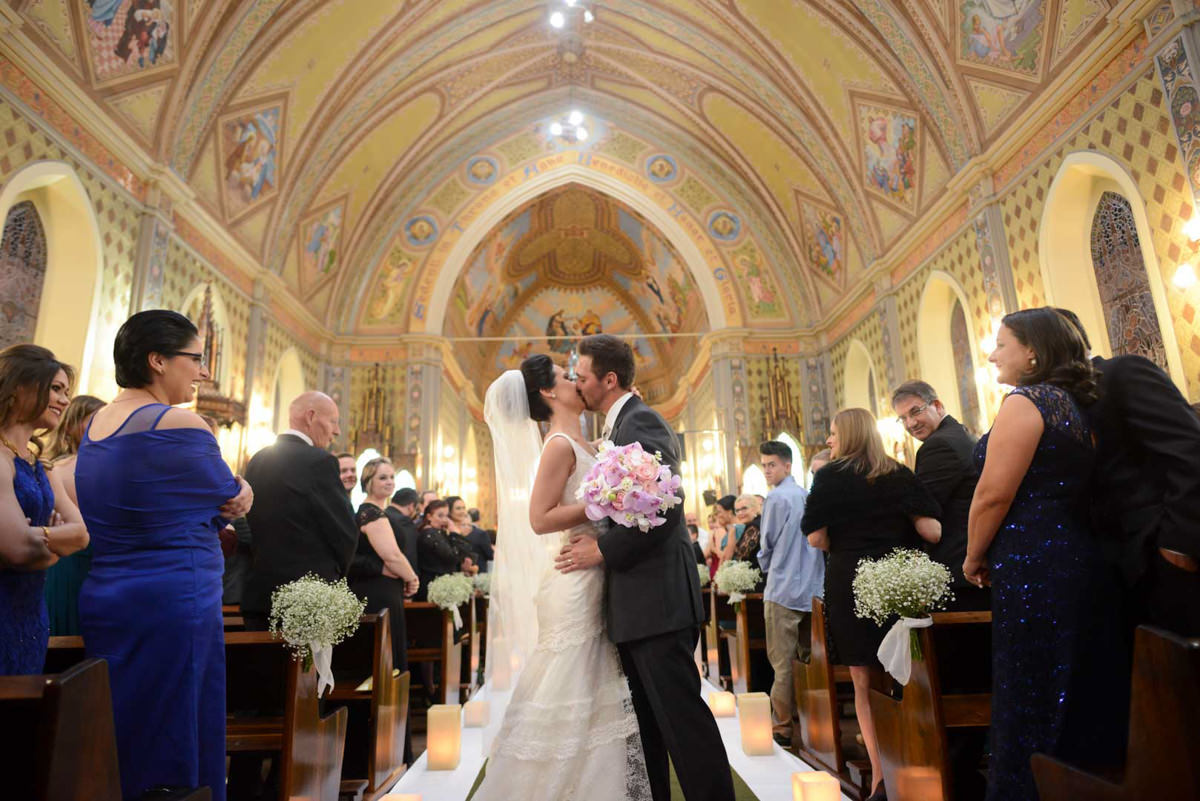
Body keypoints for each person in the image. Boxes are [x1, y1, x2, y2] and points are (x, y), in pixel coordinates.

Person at [76, 311, 252, 801]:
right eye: (195, 359)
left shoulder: (94, 425)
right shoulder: (178, 422)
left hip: (108, 597)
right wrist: (244, 489)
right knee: (176, 724)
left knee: (121, 724)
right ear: (157, 360)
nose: (202, 372)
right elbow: (229, 494)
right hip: (174, 597)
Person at [557, 334, 734, 801]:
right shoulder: (619, 429)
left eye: (583, 376)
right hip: (638, 604)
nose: (577, 385)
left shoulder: (642, 422)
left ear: (608, 380)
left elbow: (666, 503)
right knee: (648, 725)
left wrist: (603, 551)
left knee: (682, 723)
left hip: (657, 601)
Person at [473, 354, 652, 801]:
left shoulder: (588, 441)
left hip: (596, 572)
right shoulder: (557, 444)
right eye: (564, 376)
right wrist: (605, 503)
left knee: (595, 692)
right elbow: (539, 517)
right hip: (573, 580)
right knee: (567, 682)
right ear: (549, 393)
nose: (575, 380)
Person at [964, 308, 1106, 801]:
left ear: (1032, 352)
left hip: (1032, 557)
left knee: (1028, 688)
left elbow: (992, 494)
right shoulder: (1075, 405)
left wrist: (972, 555)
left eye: (1001, 344)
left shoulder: (1027, 402)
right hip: (1073, 554)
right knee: (1066, 683)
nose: (991, 353)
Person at [801, 408, 941, 801]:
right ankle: (919, 767)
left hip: (852, 583)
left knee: (863, 682)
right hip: (899, 581)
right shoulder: (899, 472)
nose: (829, 441)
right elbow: (932, 530)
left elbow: (815, 539)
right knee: (907, 675)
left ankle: (881, 779)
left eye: (832, 433)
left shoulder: (828, 476)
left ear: (847, 436)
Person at [1055, 308, 1200, 637]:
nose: (993, 357)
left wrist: (1178, 546)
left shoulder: (1122, 373)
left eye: (1005, 345)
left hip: (1161, 557)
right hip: (1115, 568)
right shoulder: (1060, 405)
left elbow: (1189, 452)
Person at [0, 345, 88, 675]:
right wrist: (53, 542)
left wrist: (38, 537)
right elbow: (18, 549)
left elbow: (82, 533)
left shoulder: (43, 466)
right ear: (19, 386)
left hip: (32, 614)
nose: (65, 401)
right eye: (55, 389)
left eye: (66, 392)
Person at [240, 391, 359, 630]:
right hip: (307, 598)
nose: (336, 431)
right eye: (334, 421)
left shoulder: (258, 459)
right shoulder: (319, 461)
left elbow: (250, 522)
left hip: (260, 594)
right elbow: (344, 532)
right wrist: (336, 575)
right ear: (311, 416)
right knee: (304, 668)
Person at [891, 381, 989, 612]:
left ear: (937, 405)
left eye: (915, 412)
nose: (910, 423)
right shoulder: (959, 433)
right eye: (902, 418)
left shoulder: (939, 446)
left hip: (959, 570)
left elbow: (924, 508)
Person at [349, 455, 418, 763]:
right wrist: (412, 576)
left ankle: (390, 750)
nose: (389, 482)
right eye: (382, 478)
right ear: (368, 482)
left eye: (392, 477)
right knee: (386, 664)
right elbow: (391, 554)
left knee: (390, 664)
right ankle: (383, 754)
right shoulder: (370, 512)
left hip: (384, 591)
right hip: (378, 596)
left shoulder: (375, 511)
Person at [755, 439, 823, 748]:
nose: (767, 470)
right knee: (809, 661)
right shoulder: (808, 496)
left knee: (782, 664)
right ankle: (816, 725)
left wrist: (768, 566)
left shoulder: (776, 499)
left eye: (772, 465)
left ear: (787, 465)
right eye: (764, 465)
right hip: (812, 589)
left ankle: (782, 727)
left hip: (782, 589)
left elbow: (766, 544)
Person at [42, 393, 105, 635]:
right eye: (93, 420)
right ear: (70, 426)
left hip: (98, 567)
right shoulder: (57, 468)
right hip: (68, 565)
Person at [414, 499, 476, 599]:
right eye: (440, 515)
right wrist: (455, 533)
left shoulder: (439, 532)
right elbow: (451, 556)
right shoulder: (429, 533)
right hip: (433, 586)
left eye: (446, 516)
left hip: (440, 584)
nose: (444, 520)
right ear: (429, 516)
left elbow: (466, 551)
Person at [447, 494, 494, 571]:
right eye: (458, 508)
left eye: (463, 508)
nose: (462, 511)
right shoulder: (446, 530)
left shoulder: (478, 533)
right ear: (449, 510)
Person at [386, 487, 421, 575]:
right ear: (411, 506)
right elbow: (409, 554)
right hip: (399, 576)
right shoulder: (404, 522)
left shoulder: (381, 515)